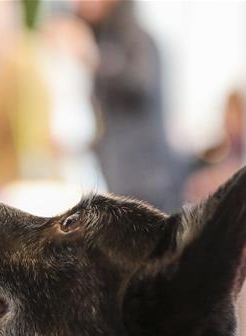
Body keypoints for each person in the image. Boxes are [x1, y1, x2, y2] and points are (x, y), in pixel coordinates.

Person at [76, 0, 186, 213]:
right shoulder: (106, 37)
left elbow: (139, 83)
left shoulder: (137, 38)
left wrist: (94, 60)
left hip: (147, 181)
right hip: (121, 178)